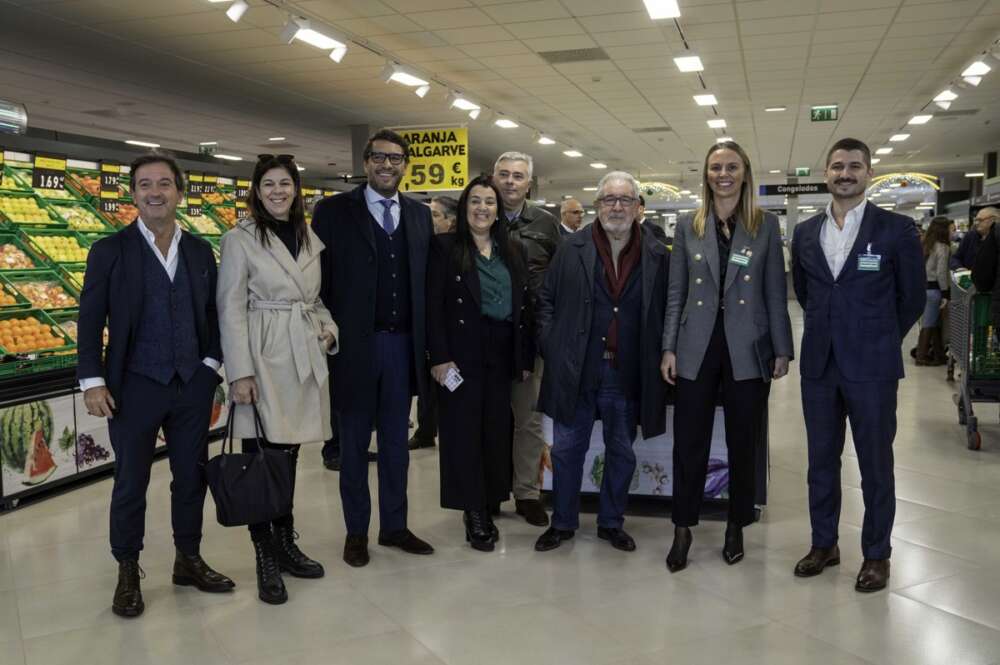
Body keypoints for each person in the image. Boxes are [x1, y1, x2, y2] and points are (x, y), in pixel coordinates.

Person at [77, 152, 234, 618]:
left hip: (192, 383)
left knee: (191, 477)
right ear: (132, 194)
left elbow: (212, 313)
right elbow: (90, 321)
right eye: (145, 184)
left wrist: (210, 364)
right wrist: (92, 380)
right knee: (131, 482)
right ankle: (128, 568)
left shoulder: (200, 251)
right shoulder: (109, 251)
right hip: (133, 384)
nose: (154, 192)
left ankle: (188, 558)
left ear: (179, 193)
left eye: (164, 183)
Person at [791, 137, 924, 592]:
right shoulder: (807, 232)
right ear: (825, 173)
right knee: (820, 461)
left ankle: (876, 554)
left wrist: (879, 337)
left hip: (873, 367)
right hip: (819, 366)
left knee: (874, 463)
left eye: (854, 166)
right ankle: (823, 543)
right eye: (836, 167)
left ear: (869, 172)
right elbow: (808, 293)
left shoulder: (896, 229)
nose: (844, 174)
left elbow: (912, 300)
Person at [661, 141, 793, 572]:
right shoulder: (688, 224)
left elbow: (776, 292)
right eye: (716, 167)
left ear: (745, 173)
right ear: (706, 174)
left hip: (747, 348)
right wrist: (669, 347)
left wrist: (782, 348)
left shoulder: (765, 225)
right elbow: (676, 293)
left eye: (731, 167)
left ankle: (736, 524)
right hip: (696, 346)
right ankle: (683, 527)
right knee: (689, 442)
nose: (723, 174)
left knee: (742, 441)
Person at [217, 154, 337, 604]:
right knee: (259, 457)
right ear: (256, 190)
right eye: (268, 184)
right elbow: (229, 309)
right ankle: (265, 554)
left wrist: (328, 331)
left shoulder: (309, 237)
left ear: (296, 189)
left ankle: (286, 543)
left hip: (303, 352)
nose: (277, 192)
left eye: (284, 183)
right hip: (263, 357)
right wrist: (240, 373)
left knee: (286, 457)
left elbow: (316, 299)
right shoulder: (239, 240)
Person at [312, 128, 435, 568]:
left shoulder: (420, 216)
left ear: (405, 165)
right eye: (379, 158)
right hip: (354, 349)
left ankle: (395, 526)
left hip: (403, 348)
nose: (388, 165)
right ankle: (356, 532)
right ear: (366, 163)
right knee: (353, 448)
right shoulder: (331, 212)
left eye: (396, 158)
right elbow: (318, 283)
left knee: (397, 448)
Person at [534, 171, 669, 553]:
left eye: (625, 200)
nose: (617, 207)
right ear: (597, 206)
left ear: (638, 208)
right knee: (566, 449)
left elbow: (666, 311)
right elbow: (546, 301)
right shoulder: (571, 247)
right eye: (609, 199)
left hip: (626, 371)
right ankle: (562, 522)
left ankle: (611, 522)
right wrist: (552, 346)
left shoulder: (656, 254)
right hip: (576, 369)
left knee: (622, 451)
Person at [426, 175, 534, 551]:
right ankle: (473, 512)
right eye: (475, 201)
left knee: (495, 430)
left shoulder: (512, 250)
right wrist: (439, 357)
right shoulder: (443, 248)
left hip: (501, 349)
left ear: (498, 209)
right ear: (464, 206)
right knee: (462, 432)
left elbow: (523, 308)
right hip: (460, 352)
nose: (483, 208)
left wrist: (522, 356)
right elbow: (434, 307)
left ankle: (490, 498)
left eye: (490, 202)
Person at [492, 151, 562, 526]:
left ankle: (527, 493)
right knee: (487, 416)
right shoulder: (478, 215)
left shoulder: (547, 224)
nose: (510, 182)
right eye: (503, 174)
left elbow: (559, 280)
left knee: (529, 419)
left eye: (518, 176)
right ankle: (488, 490)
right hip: (486, 336)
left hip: (529, 338)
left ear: (529, 183)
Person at [409, 195, 459, 451]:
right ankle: (425, 430)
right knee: (427, 384)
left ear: (451, 221)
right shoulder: (422, 246)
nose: (429, 221)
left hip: (448, 333)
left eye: (436, 215)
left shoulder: (454, 249)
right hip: (422, 328)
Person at [915, 216, 951, 366]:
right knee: (929, 323)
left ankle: (939, 354)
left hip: (923, 288)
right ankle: (921, 356)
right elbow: (941, 272)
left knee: (934, 322)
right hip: (934, 289)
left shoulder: (924, 244)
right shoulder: (942, 247)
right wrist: (945, 293)